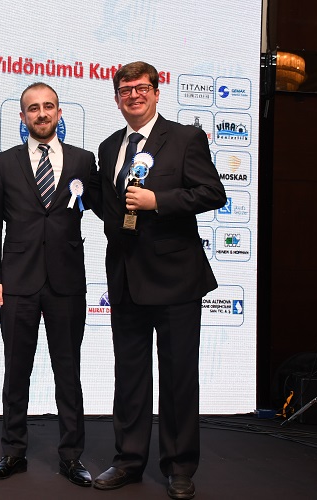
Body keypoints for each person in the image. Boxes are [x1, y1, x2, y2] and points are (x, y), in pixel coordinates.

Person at [90, 61, 226, 500]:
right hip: (125, 279)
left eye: (141, 87)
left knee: (178, 377)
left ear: (156, 91)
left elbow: (212, 193)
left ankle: (180, 467)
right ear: (116, 98)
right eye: (125, 89)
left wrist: (157, 200)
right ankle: (128, 461)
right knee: (129, 377)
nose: (134, 95)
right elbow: (110, 206)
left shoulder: (185, 138)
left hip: (176, 281)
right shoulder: (109, 146)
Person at [0, 82, 96, 488]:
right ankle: (13, 452)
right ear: (22, 116)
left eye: (48, 107)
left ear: (59, 113)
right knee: (16, 372)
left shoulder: (84, 161)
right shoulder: (2, 163)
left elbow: (105, 208)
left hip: (67, 283)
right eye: (33, 108)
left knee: (68, 372)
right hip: (17, 282)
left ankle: (72, 456)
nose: (41, 113)